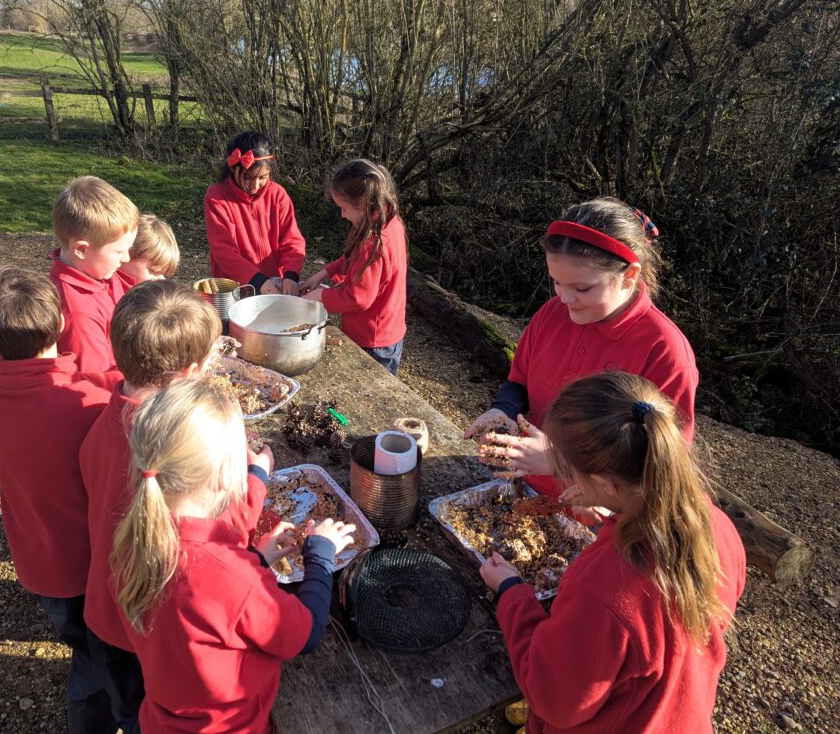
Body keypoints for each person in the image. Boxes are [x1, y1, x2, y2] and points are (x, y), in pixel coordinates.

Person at [479, 372, 746, 733]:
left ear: (606, 484)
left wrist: (512, 593)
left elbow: (555, 702)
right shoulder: (716, 525)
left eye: (568, 471)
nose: (566, 479)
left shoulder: (605, 590)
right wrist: (615, 513)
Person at [78, 279, 272, 732]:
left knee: (131, 710)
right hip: (153, 627)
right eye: (209, 361)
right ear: (190, 372)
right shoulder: (176, 455)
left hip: (106, 614)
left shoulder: (102, 423)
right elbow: (230, 532)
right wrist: (257, 476)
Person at [111, 377, 355, 733]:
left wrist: (255, 559)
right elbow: (305, 634)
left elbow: (203, 611)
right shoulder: (231, 578)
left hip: (163, 719)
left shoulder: (132, 541)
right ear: (226, 477)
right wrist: (320, 554)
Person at [0, 267, 117, 734]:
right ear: (60, 326)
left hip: (37, 560)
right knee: (97, 663)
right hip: (87, 566)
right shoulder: (89, 402)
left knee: (75, 636)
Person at [465, 198, 697, 500]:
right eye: (557, 283)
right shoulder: (552, 314)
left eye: (582, 288)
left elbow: (660, 465)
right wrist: (504, 410)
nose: (565, 298)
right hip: (526, 484)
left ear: (629, 276)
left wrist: (561, 462)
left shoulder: (665, 351)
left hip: (600, 514)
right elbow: (519, 381)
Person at [299, 159, 408, 374]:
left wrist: (319, 297)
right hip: (387, 330)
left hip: (374, 340)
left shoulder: (374, 241)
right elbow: (354, 258)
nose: (342, 214)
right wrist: (324, 273)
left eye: (344, 208)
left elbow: (358, 298)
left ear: (364, 205)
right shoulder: (386, 221)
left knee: (374, 396)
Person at [50, 175, 140, 374]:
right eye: (118, 251)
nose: (126, 259)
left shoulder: (98, 271)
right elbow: (97, 380)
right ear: (81, 249)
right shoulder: (78, 314)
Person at [204, 130, 307, 296]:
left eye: (262, 177)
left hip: (273, 284)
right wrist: (257, 280)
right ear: (233, 169)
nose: (255, 185)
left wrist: (291, 275)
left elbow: (292, 241)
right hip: (233, 289)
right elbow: (224, 250)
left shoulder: (278, 195)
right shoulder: (217, 196)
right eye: (248, 177)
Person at [120, 212, 180, 283]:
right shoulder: (108, 290)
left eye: (161, 274)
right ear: (126, 253)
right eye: (153, 271)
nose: (161, 280)